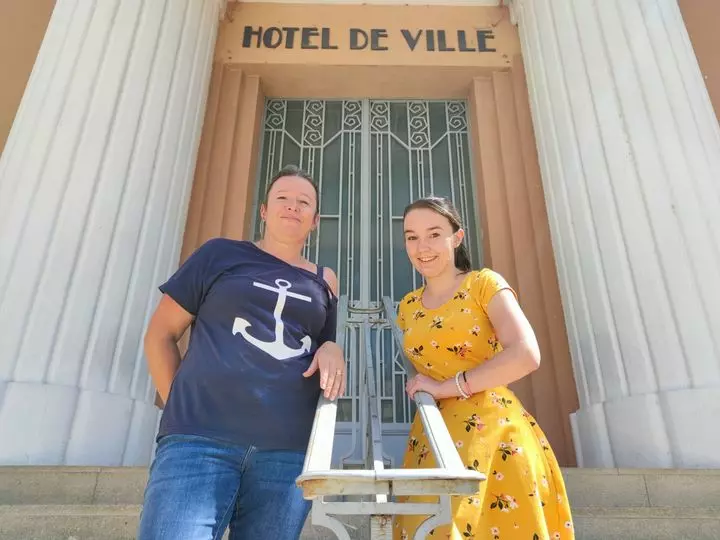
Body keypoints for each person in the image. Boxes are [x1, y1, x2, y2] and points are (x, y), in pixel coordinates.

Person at [137, 165, 345, 540]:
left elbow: (320, 343)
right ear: (263, 210)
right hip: (198, 443)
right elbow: (160, 334)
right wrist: (181, 408)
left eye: (304, 203)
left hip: (286, 453)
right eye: (283, 198)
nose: (292, 207)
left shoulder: (324, 279)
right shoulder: (219, 254)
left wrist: (333, 347)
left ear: (315, 221)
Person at [393, 197, 574, 540]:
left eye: (434, 234)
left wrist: (448, 387)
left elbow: (525, 353)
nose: (422, 247)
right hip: (432, 435)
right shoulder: (407, 306)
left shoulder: (484, 284)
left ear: (457, 237)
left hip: (493, 435)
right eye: (411, 237)